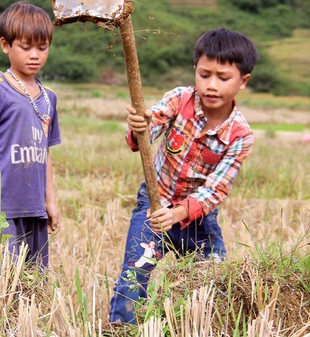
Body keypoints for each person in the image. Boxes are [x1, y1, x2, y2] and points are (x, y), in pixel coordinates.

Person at [109, 28, 258, 324]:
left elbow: (215, 191)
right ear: (195, 71)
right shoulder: (179, 100)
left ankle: (205, 327)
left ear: (243, 82)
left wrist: (179, 213)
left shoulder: (240, 136)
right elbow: (145, 137)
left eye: (223, 78)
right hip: (155, 206)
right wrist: (140, 126)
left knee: (215, 282)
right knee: (133, 277)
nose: (211, 85)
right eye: (204, 75)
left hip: (199, 222)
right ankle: (121, 328)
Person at [0, 1, 62, 268]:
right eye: (26, 47)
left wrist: (50, 201)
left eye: (42, 48)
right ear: (6, 45)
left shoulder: (49, 98)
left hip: (35, 211)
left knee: (34, 285)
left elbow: (46, 153)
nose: (35, 55)